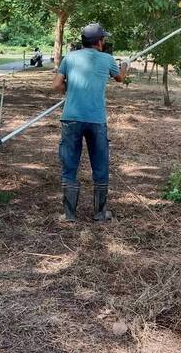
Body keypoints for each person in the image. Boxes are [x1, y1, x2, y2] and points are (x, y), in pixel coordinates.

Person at [52, 23, 129, 222]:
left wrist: (69, 92)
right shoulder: (107, 59)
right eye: (103, 39)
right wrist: (124, 66)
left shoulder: (69, 58)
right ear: (99, 42)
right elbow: (119, 79)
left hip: (71, 118)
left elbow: (57, 84)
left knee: (70, 164)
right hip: (96, 120)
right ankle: (100, 213)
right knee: (100, 164)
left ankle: (69, 214)